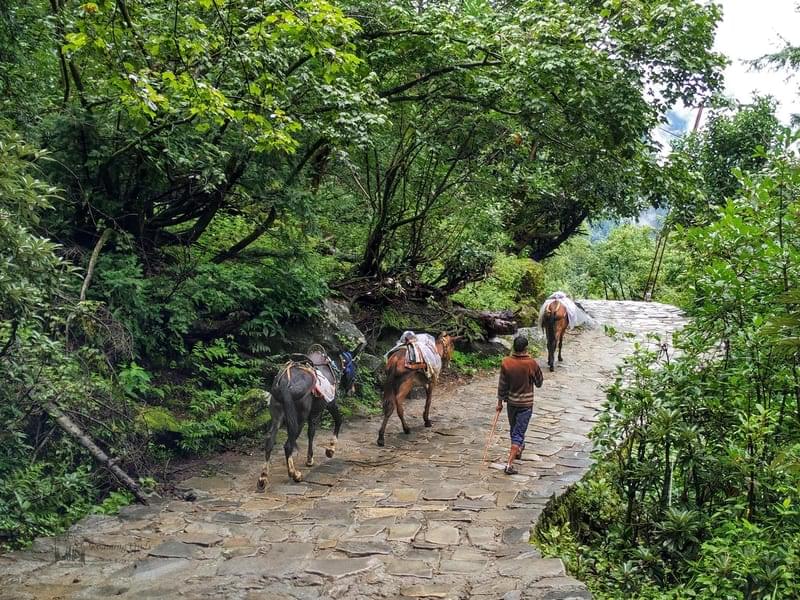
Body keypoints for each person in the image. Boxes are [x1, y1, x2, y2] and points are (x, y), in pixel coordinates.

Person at [496, 335, 544, 475]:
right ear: (526, 348)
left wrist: (500, 403)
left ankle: (519, 448)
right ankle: (509, 464)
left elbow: (502, 385)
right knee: (518, 432)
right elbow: (539, 382)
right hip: (526, 404)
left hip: (511, 403)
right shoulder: (531, 363)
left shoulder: (506, 362)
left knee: (514, 428)